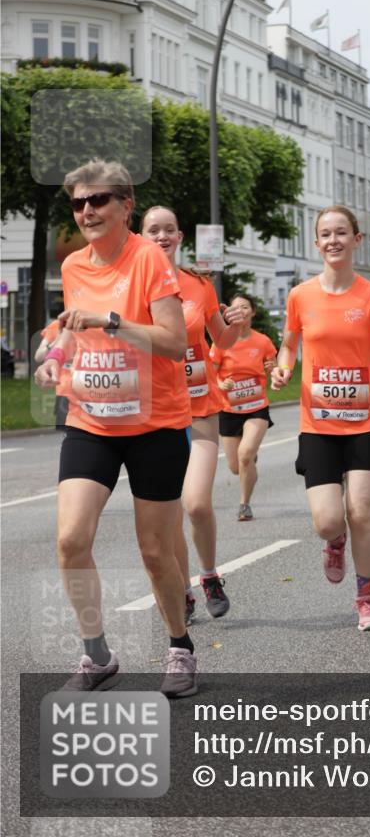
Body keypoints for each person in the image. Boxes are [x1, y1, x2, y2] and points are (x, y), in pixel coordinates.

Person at [34, 160, 196, 698]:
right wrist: (55, 353)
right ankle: (97, 655)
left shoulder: (149, 259)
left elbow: (175, 342)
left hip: (155, 424)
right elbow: (70, 330)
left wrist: (112, 321)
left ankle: (179, 647)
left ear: (126, 206)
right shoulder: (75, 266)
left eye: (98, 200)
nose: (86, 211)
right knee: (70, 539)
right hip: (92, 422)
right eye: (78, 203)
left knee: (154, 551)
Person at [271, 206, 370, 632]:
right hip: (318, 424)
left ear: (356, 240)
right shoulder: (300, 296)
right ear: (317, 243)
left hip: (365, 421)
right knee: (328, 520)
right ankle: (335, 542)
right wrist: (283, 368)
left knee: (361, 512)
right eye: (325, 234)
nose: (333, 240)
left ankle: (366, 599)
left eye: (341, 233)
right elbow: (289, 346)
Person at [141, 206, 244, 626]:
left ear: (180, 236)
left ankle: (210, 576)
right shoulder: (130, 287)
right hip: (156, 414)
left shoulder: (199, 285)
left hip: (199, 407)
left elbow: (222, 338)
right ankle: (182, 590)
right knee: (168, 518)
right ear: (141, 236)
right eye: (153, 230)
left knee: (197, 504)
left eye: (169, 229)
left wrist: (235, 323)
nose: (162, 236)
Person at [211, 293, 278, 521]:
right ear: (229, 313)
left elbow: (275, 369)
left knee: (245, 454)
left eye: (245, 307)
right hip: (229, 409)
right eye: (235, 307)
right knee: (236, 467)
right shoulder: (221, 342)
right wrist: (222, 383)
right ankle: (248, 463)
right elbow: (211, 373)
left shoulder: (263, 341)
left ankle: (244, 505)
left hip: (257, 406)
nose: (240, 311)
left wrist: (275, 371)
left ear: (253, 312)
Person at [35, 319, 71, 428]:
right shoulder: (56, 325)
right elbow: (38, 356)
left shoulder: (92, 322)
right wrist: (58, 340)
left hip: (90, 392)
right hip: (65, 392)